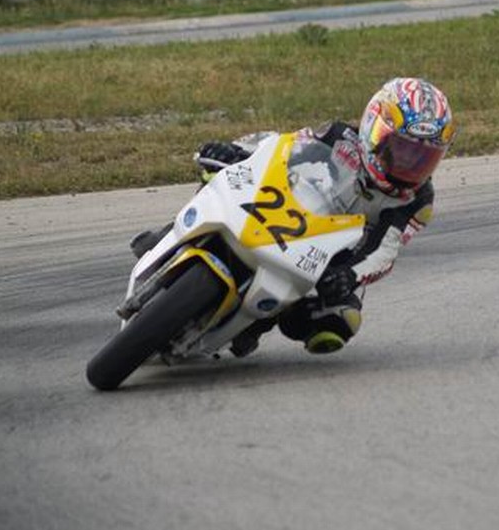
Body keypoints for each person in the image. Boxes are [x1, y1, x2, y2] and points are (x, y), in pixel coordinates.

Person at [131, 77, 456, 356]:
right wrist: (235, 152)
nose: (409, 164)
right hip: (289, 206)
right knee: (217, 175)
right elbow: (281, 146)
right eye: (402, 149)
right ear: (375, 129)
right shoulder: (339, 136)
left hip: (332, 254)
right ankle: (171, 234)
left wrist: (350, 275)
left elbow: (384, 251)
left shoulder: (418, 200)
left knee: (342, 321)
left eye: (423, 158)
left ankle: (257, 322)